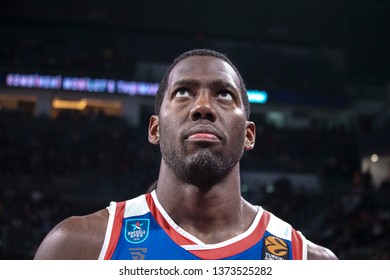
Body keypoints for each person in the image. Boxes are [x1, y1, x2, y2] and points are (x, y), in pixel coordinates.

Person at [34, 49, 337, 260]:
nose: (202, 106)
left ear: (248, 135)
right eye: (183, 92)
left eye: (223, 94)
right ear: (154, 129)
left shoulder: (309, 262)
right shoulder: (76, 247)